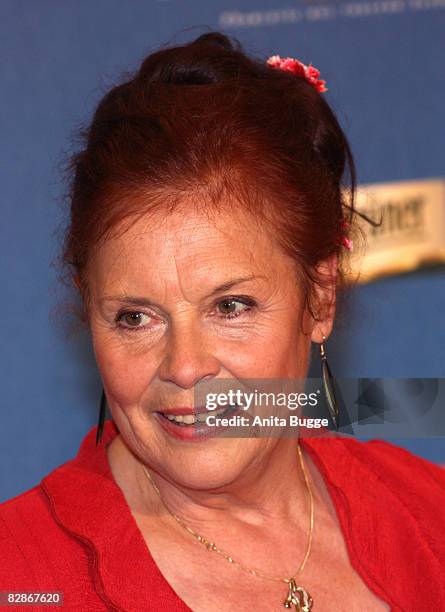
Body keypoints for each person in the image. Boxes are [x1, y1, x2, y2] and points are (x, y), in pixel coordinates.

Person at [1, 30, 444, 612]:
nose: (185, 367)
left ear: (321, 297)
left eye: (230, 307)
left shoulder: (429, 512)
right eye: (135, 317)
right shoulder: (23, 577)